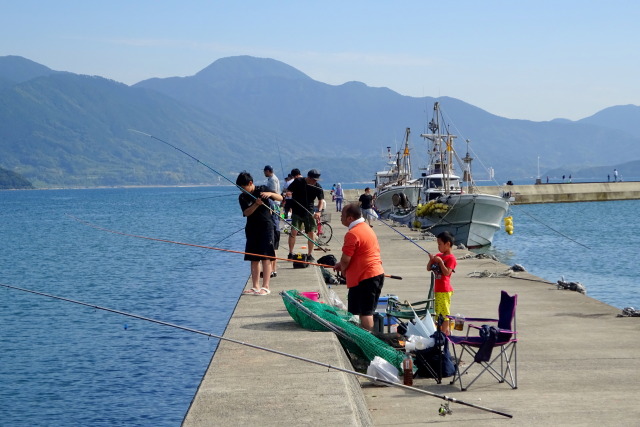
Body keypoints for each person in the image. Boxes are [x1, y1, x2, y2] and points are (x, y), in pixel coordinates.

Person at [333, 203, 385, 331]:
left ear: (350, 218)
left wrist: (344, 270)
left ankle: (369, 341)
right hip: (373, 274)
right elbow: (361, 253)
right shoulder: (366, 228)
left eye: (342, 215)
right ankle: (362, 337)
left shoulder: (353, 233)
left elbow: (346, 259)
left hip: (365, 277)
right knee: (359, 310)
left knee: (365, 312)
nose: (340, 217)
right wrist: (342, 265)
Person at [236, 171, 283, 296]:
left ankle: (265, 286)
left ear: (250, 183)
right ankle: (255, 286)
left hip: (266, 227)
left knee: (265, 257)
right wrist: (256, 204)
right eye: (240, 189)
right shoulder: (242, 197)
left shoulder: (262, 189)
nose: (242, 190)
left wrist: (270, 193)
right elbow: (246, 213)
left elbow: (280, 198)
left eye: (243, 188)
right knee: (254, 258)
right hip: (251, 228)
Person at [287, 169, 324, 261]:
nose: (315, 182)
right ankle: (290, 253)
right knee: (294, 232)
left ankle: (309, 254)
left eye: (316, 180)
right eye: (313, 180)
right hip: (297, 210)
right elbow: (288, 190)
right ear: (308, 177)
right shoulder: (298, 181)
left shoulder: (318, 187)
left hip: (309, 211)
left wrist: (319, 211)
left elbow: (321, 201)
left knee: (311, 233)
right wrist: (288, 193)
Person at [427, 231, 457, 335]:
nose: (438, 247)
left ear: (447, 244)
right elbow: (428, 268)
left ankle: (445, 332)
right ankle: (439, 332)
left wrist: (440, 262)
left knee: (444, 313)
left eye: (440, 244)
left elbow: (447, 272)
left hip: (445, 290)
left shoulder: (451, 258)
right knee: (437, 313)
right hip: (437, 289)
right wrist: (431, 260)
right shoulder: (439, 255)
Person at [263, 165, 281, 278]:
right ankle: (272, 270)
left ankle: (273, 269)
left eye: (265, 171)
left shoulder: (273, 179)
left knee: (273, 241)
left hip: (273, 207)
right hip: (274, 207)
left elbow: (273, 193)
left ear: (268, 171)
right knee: (273, 243)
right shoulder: (271, 179)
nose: (264, 173)